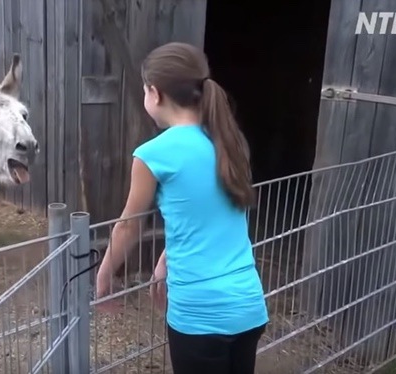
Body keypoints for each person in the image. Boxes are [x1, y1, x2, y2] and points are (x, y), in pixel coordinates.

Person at [94, 42, 269, 374]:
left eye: (144, 91)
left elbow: (129, 226)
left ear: (155, 94)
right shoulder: (229, 142)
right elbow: (209, 218)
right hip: (247, 307)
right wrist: (167, 258)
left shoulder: (153, 154)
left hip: (200, 317)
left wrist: (105, 274)